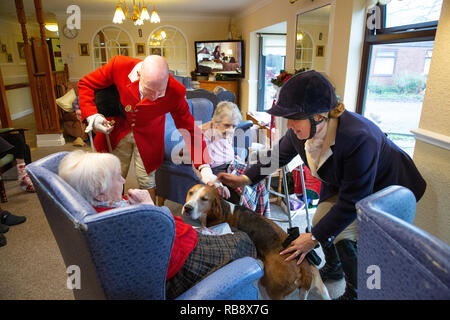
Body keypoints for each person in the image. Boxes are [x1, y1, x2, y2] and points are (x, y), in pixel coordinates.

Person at [217, 70, 426, 300]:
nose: (289, 126)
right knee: (322, 220)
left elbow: (351, 202)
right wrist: (245, 179)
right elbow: (277, 156)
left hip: (388, 187)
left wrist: (314, 237)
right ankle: (335, 267)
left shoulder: (359, 138)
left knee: (341, 230)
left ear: (318, 116)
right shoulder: (301, 131)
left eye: (294, 118)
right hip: (347, 183)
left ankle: (358, 291)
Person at [58, 150, 257, 299]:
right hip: (181, 262)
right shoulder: (126, 221)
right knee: (243, 240)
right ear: (100, 192)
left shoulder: (101, 208)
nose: (123, 179)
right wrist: (150, 207)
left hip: (175, 245)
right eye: (117, 177)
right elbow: (166, 236)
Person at [78, 55, 219, 203]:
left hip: (149, 136)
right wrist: (92, 116)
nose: (155, 96)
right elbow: (86, 84)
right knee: (111, 178)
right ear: (139, 75)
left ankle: (151, 217)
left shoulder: (175, 91)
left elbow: (190, 128)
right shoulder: (119, 65)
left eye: (161, 91)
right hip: (117, 129)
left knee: (147, 181)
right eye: (149, 90)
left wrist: (204, 166)